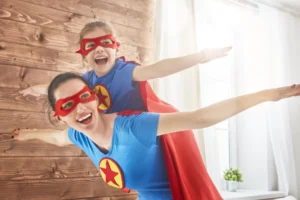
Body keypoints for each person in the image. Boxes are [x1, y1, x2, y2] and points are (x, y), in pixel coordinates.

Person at [18, 20, 231, 200]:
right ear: (84, 55)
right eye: (91, 45)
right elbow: (60, 92)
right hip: (118, 142)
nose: (99, 49)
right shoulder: (86, 81)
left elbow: (159, 69)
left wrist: (200, 57)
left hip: (142, 134)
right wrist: (35, 90)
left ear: (115, 48)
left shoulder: (125, 72)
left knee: (177, 182)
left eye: (105, 42)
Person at [13, 73, 300, 200]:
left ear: (95, 98)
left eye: (83, 97)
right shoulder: (79, 136)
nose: (79, 108)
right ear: (59, 115)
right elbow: (56, 139)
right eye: (67, 105)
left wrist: (266, 95)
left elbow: (200, 117)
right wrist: (24, 135)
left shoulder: (133, 126)